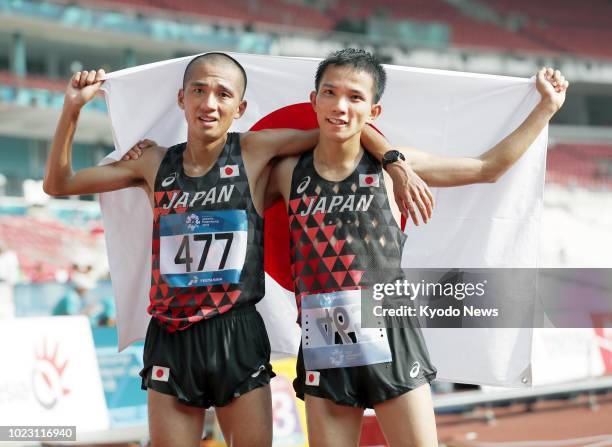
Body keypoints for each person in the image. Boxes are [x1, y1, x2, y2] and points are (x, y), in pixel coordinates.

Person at [43, 52, 428, 447]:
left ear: (239, 107)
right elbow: (58, 185)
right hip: (171, 335)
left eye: (223, 94)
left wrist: (393, 159)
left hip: (237, 331)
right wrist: (71, 109)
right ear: (182, 99)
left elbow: (340, 128)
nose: (209, 103)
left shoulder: (255, 151)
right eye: (199, 91)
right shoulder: (153, 162)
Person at [266, 49, 568, 446]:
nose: (340, 106)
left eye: (355, 97)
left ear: (374, 111)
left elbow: (487, 167)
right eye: (330, 93)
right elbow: (227, 170)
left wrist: (546, 108)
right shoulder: (286, 173)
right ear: (314, 100)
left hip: (390, 326)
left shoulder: (396, 171)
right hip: (324, 337)